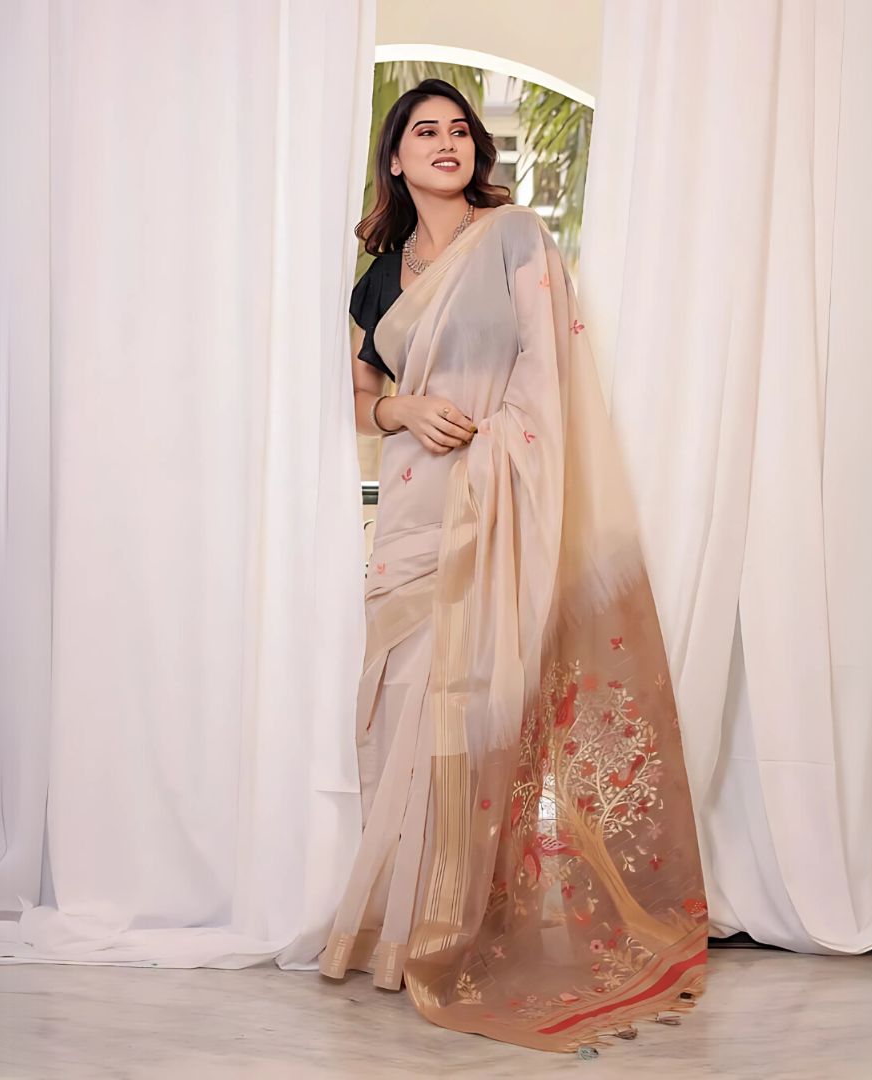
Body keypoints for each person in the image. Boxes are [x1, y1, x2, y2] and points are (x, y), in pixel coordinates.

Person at [319, 78, 708, 1054]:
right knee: (402, 700)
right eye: (424, 131)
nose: (444, 143)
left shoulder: (517, 245)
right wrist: (401, 411)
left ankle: (464, 927)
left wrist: (500, 446)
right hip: (412, 513)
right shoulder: (377, 274)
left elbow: (555, 375)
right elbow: (360, 394)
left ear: (476, 155)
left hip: (501, 504)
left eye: (459, 130)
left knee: (484, 713)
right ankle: (402, 927)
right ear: (396, 159)